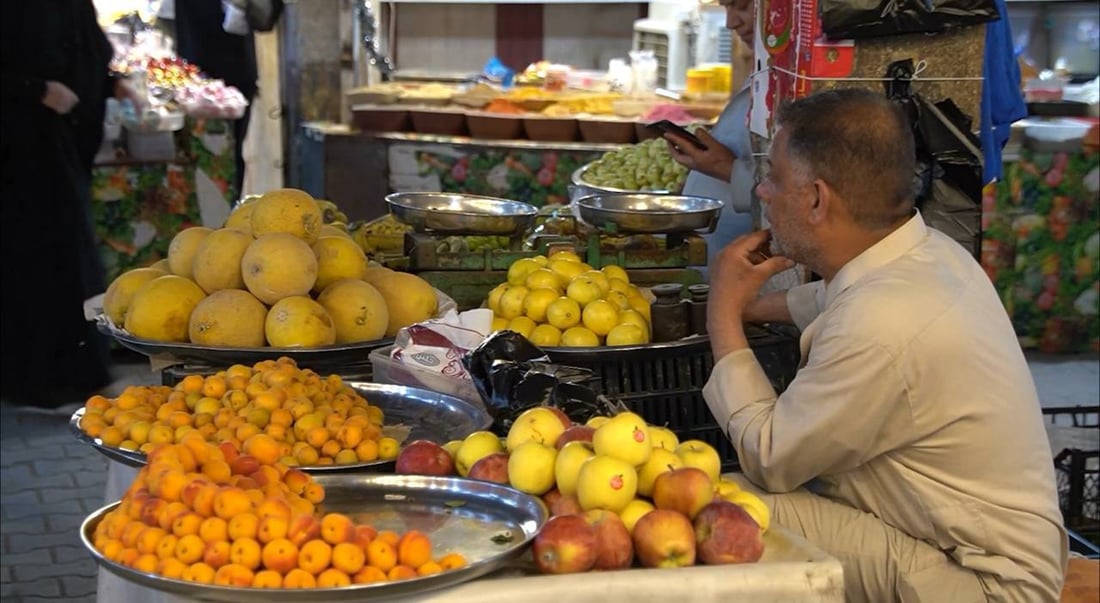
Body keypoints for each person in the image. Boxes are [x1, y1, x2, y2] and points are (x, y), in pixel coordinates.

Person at [702, 89, 1067, 602]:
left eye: (774, 179)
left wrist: (722, 312)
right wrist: (750, 304)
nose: (762, 192)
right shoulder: (930, 251)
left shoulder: (880, 323)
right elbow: (833, 298)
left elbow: (770, 457)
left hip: (982, 584)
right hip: (955, 547)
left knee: (720, 507)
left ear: (815, 199)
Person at [1, 0, 140, 407]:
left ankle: (72, 373)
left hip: (55, 142)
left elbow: (84, 46)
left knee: (65, 257)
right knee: (36, 262)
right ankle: (38, 378)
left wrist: (113, 81)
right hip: (18, 149)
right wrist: (37, 90)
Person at [659, 0, 755, 269]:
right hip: (717, 260)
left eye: (742, 7)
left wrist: (725, 168)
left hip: (745, 270)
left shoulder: (798, 86)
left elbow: (797, 191)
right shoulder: (762, 74)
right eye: (726, 8)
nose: (730, 22)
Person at [171, 0, 261, 198]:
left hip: (223, 77)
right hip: (199, 76)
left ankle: (227, 217)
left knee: (222, 156)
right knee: (217, 156)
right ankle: (222, 216)